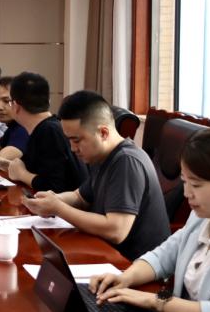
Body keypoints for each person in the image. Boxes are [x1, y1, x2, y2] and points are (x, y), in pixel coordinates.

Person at [90, 127, 210, 312]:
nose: (187, 193)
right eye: (184, 182)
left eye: (196, 185)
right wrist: (125, 278)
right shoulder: (202, 215)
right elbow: (163, 256)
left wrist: (153, 301)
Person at [23, 90, 169, 260]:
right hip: (106, 253)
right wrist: (51, 200)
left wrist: (58, 208)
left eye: (77, 140)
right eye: (69, 140)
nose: (72, 148)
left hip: (133, 265)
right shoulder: (101, 156)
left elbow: (116, 230)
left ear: (103, 133)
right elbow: (80, 197)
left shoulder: (127, 161)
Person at [3, 72, 87, 193]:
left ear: (15, 106)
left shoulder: (48, 132)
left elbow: (53, 187)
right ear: (49, 100)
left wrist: (22, 174)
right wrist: (5, 164)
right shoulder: (47, 127)